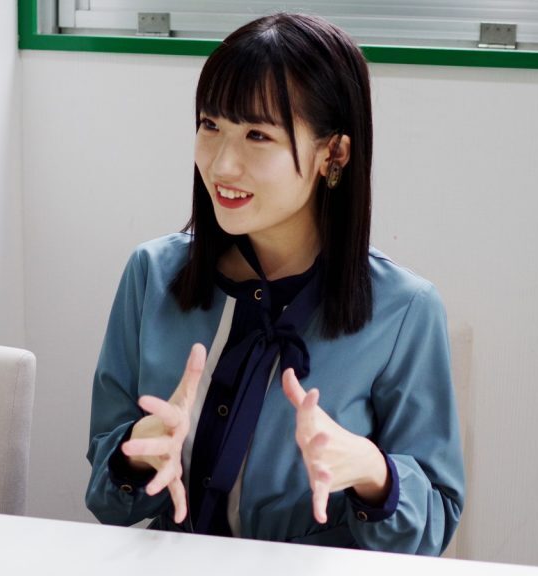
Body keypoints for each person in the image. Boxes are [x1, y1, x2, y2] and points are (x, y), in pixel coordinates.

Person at [86, 13, 464, 555]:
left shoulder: (405, 310)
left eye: (258, 135)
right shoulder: (151, 273)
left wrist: (373, 472)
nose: (222, 164)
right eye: (210, 125)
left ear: (334, 153)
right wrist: (133, 457)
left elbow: (434, 526)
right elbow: (106, 500)